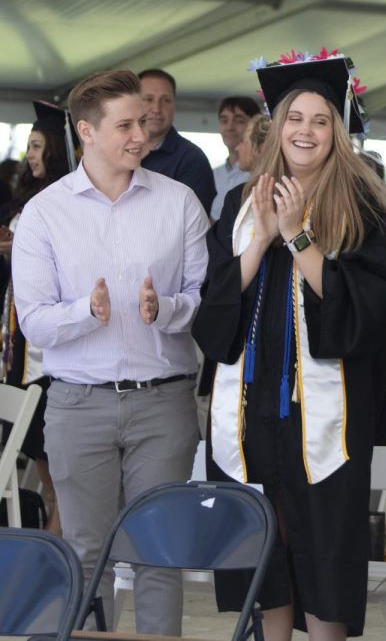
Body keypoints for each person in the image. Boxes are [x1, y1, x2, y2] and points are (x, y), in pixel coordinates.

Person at [192, 51, 386, 641]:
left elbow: (372, 310)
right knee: (265, 543)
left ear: (336, 132)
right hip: (252, 408)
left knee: (323, 545)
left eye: (319, 120)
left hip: (326, 415)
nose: (305, 131)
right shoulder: (242, 206)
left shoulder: (363, 208)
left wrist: (298, 236)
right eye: (296, 118)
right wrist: (260, 242)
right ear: (277, 126)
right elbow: (212, 314)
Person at [12, 69, 208, 635]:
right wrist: (85, 313)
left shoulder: (181, 203)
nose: (139, 136)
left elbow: (204, 303)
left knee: (158, 551)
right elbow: (35, 323)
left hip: (163, 402)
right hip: (77, 403)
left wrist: (164, 310)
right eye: (124, 125)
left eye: (143, 123)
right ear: (86, 132)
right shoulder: (45, 214)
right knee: (84, 550)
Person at [0, 101, 74, 536]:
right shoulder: (30, 197)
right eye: (28, 145)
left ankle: (54, 543)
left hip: (47, 357)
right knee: (42, 462)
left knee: (54, 466)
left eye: (37, 145)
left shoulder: (61, 203)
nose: (30, 154)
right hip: (21, 348)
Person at [138, 68, 217, 214]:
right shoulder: (118, 152)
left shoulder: (192, 159)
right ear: (133, 103)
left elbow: (191, 220)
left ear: (174, 105)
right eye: (148, 99)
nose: (156, 109)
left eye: (165, 100)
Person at [211, 96, 261, 220]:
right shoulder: (211, 175)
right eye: (224, 120)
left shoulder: (260, 175)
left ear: (254, 126)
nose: (230, 127)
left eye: (239, 120)